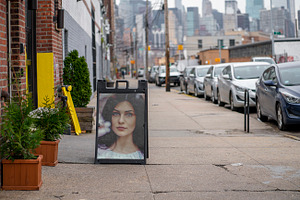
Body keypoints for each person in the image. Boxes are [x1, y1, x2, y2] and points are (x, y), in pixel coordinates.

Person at [97, 94, 144, 159]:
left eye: (129, 115)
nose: (121, 121)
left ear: (138, 118)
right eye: (116, 114)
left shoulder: (142, 156)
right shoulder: (99, 152)